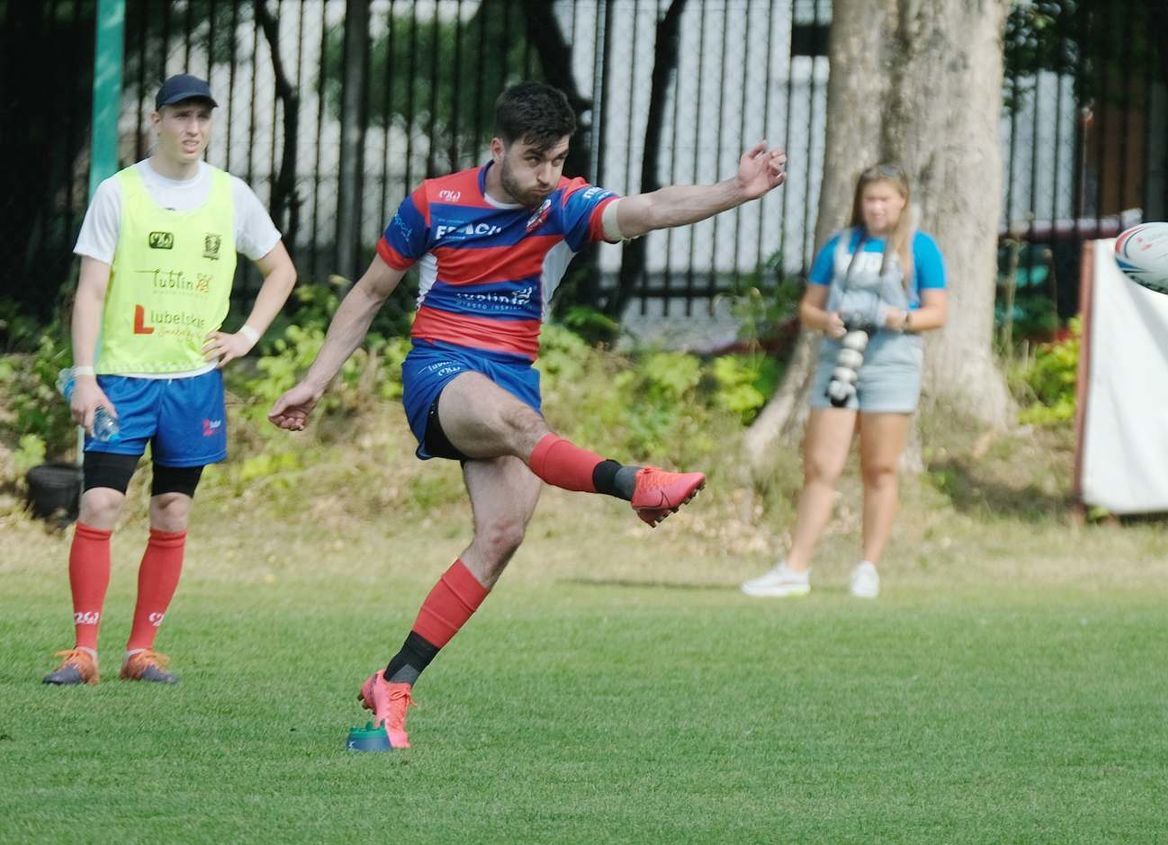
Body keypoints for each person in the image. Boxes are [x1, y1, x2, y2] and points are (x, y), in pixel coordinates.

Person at [268, 81, 786, 749]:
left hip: (514, 376)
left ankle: (393, 682)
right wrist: (315, 380)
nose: (548, 175)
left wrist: (733, 190)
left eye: (559, 159)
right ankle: (635, 483)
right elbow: (369, 293)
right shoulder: (434, 203)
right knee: (519, 426)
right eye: (535, 159)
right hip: (441, 373)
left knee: (502, 534)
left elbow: (649, 208)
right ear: (498, 148)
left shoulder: (564, 205)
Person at [43, 74, 297, 686]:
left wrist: (246, 337)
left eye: (203, 118)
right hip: (122, 380)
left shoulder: (231, 195)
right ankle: (83, 651)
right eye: (181, 116)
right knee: (100, 504)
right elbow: (91, 293)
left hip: (193, 384)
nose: (193, 128)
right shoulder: (118, 193)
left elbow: (280, 271)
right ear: (157, 120)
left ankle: (142, 651)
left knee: (173, 512)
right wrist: (84, 377)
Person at [741, 163, 946, 600]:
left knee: (880, 467)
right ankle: (795, 568)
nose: (876, 207)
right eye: (869, 199)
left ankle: (868, 567)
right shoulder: (839, 245)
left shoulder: (919, 247)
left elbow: (937, 312)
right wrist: (828, 321)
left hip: (891, 362)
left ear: (902, 200)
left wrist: (900, 318)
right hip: (839, 362)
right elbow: (809, 309)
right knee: (820, 466)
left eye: (885, 199)